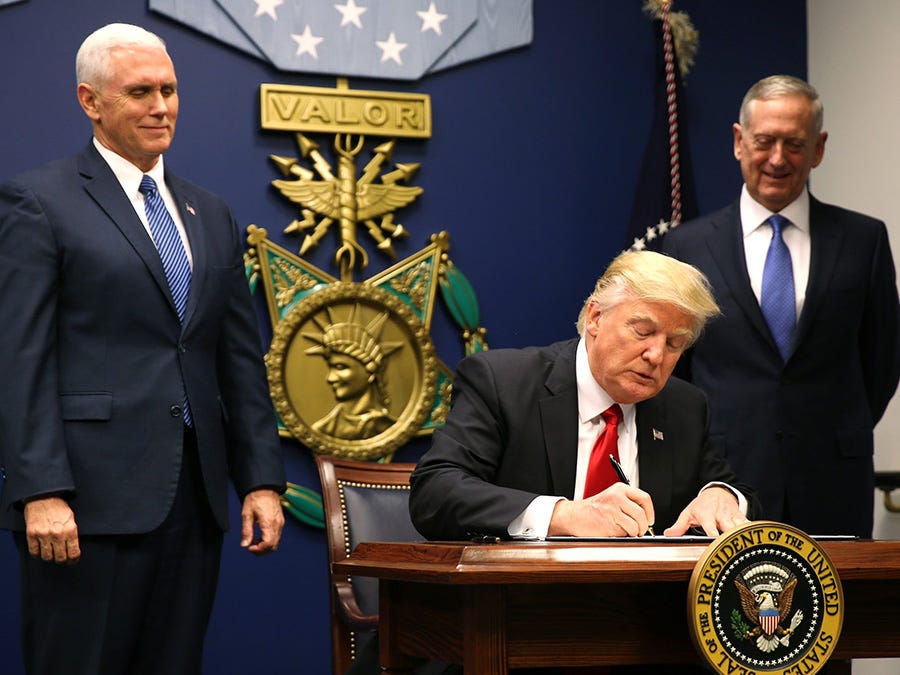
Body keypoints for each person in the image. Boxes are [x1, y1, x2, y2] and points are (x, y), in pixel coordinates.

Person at [0, 23, 286, 674]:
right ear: (90, 101)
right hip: (85, 506)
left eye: (169, 90)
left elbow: (238, 360)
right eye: (139, 92)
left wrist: (261, 479)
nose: (161, 107)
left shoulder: (211, 213)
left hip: (194, 502)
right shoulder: (38, 201)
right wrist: (41, 489)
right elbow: (19, 360)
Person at [662, 74, 900, 539]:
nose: (777, 158)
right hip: (722, 482)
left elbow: (883, 361)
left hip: (834, 478)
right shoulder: (686, 246)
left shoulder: (864, 240)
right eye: (764, 141)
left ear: (818, 149)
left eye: (794, 144)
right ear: (739, 142)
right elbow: (677, 370)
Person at [409, 250, 760, 545]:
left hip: (643, 602)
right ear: (595, 317)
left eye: (674, 344)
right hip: (521, 597)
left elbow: (738, 491)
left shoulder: (684, 407)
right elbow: (435, 492)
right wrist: (564, 515)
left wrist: (722, 497)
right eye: (643, 331)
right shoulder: (503, 382)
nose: (656, 355)